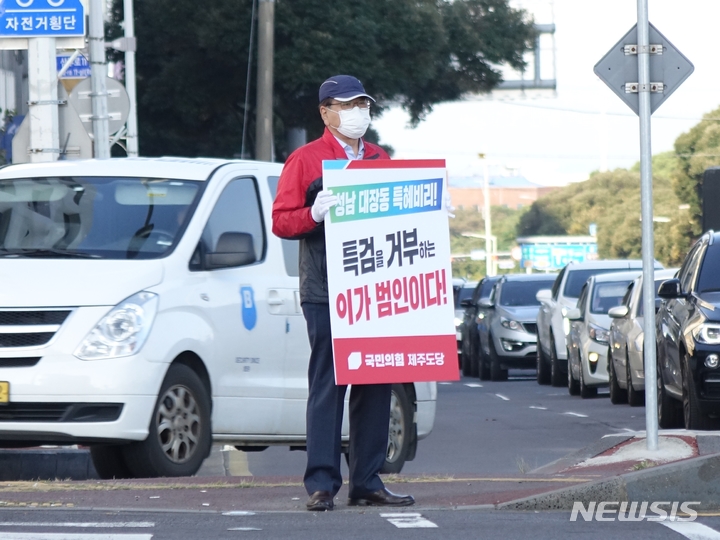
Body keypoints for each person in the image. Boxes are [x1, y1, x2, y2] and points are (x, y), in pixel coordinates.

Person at [272, 75, 415, 512]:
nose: (358, 112)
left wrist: (423, 211)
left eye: (364, 104)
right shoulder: (306, 159)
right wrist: (312, 214)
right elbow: (281, 221)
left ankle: (368, 480)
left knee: (376, 383)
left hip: (373, 287)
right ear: (326, 111)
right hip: (326, 289)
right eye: (348, 104)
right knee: (329, 385)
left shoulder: (379, 157)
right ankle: (321, 483)